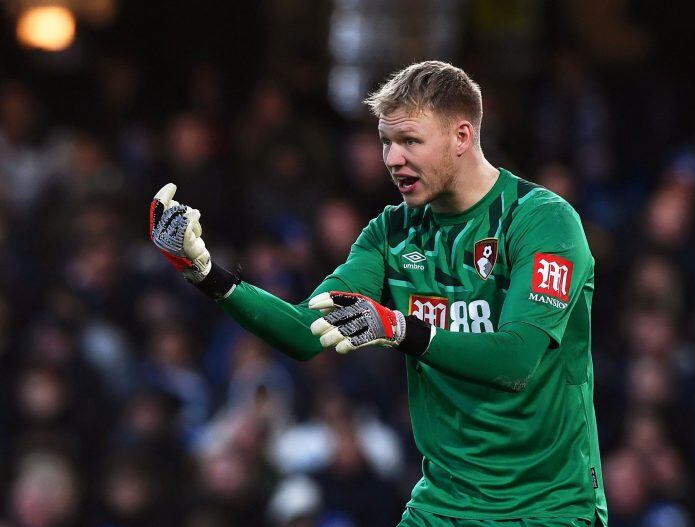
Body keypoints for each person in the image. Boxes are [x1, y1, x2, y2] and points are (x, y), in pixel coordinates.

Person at [149, 61, 608, 527]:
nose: (392, 159)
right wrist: (205, 273)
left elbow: (515, 362)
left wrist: (400, 329)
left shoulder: (542, 221)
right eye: (386, 141)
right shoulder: (390, 233)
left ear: (462, 136)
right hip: (444, 506)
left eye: (410, 141)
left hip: (547, 506)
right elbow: (308, 332)